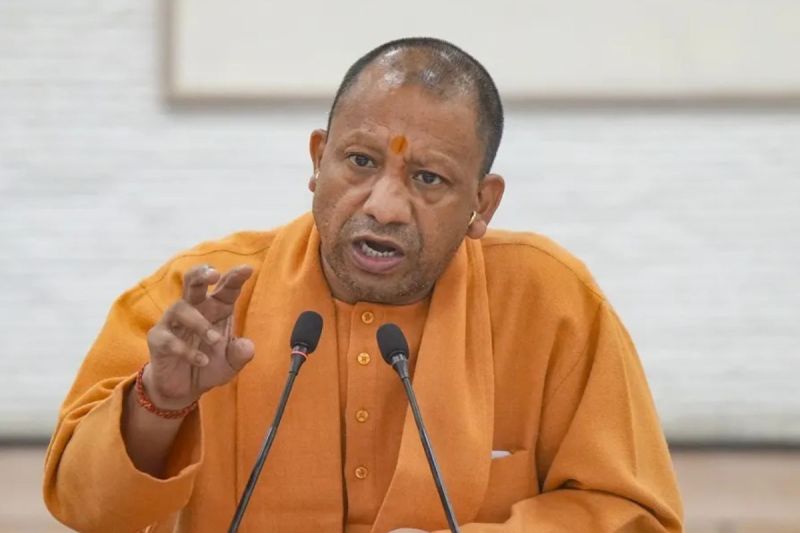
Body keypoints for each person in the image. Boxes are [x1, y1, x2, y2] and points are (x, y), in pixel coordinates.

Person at [43, 37, 683, 532]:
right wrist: (159, 402)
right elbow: (84, 510)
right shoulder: (205, 304)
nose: (384, 206)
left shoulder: (549, 303)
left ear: (482, 204)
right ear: (317, 160)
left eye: (428, 178)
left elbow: (633, 515)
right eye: (360, 161)